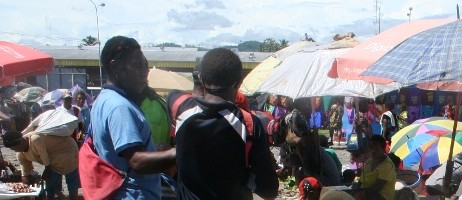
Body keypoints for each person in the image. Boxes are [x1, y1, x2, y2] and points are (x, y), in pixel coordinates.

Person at [173, 48, 278, 199]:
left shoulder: (182, 113)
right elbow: (269, 190)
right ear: (239, 82)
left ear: (201, 79)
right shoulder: (249, 124)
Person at [85, 36, 177, 199]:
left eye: (146, 66)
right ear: (116, 67)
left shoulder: (104, 99)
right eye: (138, 66)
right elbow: (137, 161)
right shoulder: (120, 107)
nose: (145, 72)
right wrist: (182, 151)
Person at [3, 129, 79, 199]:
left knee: (71, 179)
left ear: (22, 142)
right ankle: (54, 196)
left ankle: (73, 198)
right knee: (50, 186)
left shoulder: (35, 139)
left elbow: (47, 164)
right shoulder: (19, 153)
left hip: (67, 150)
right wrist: (25, 184)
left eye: (15, 148)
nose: (15, 150)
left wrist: (44, 177)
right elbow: (25, 171)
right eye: (12, 149)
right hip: (52, 159)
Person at [356, 135, 397, 200]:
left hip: (380, 197)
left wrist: (361, 193)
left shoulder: (387, 165)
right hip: (364, 193)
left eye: (376, 149)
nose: (373, 151)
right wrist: (355, 190)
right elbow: (360, 181)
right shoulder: (369, 161)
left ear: (383, 148)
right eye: (371, 148)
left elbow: (377, 188)